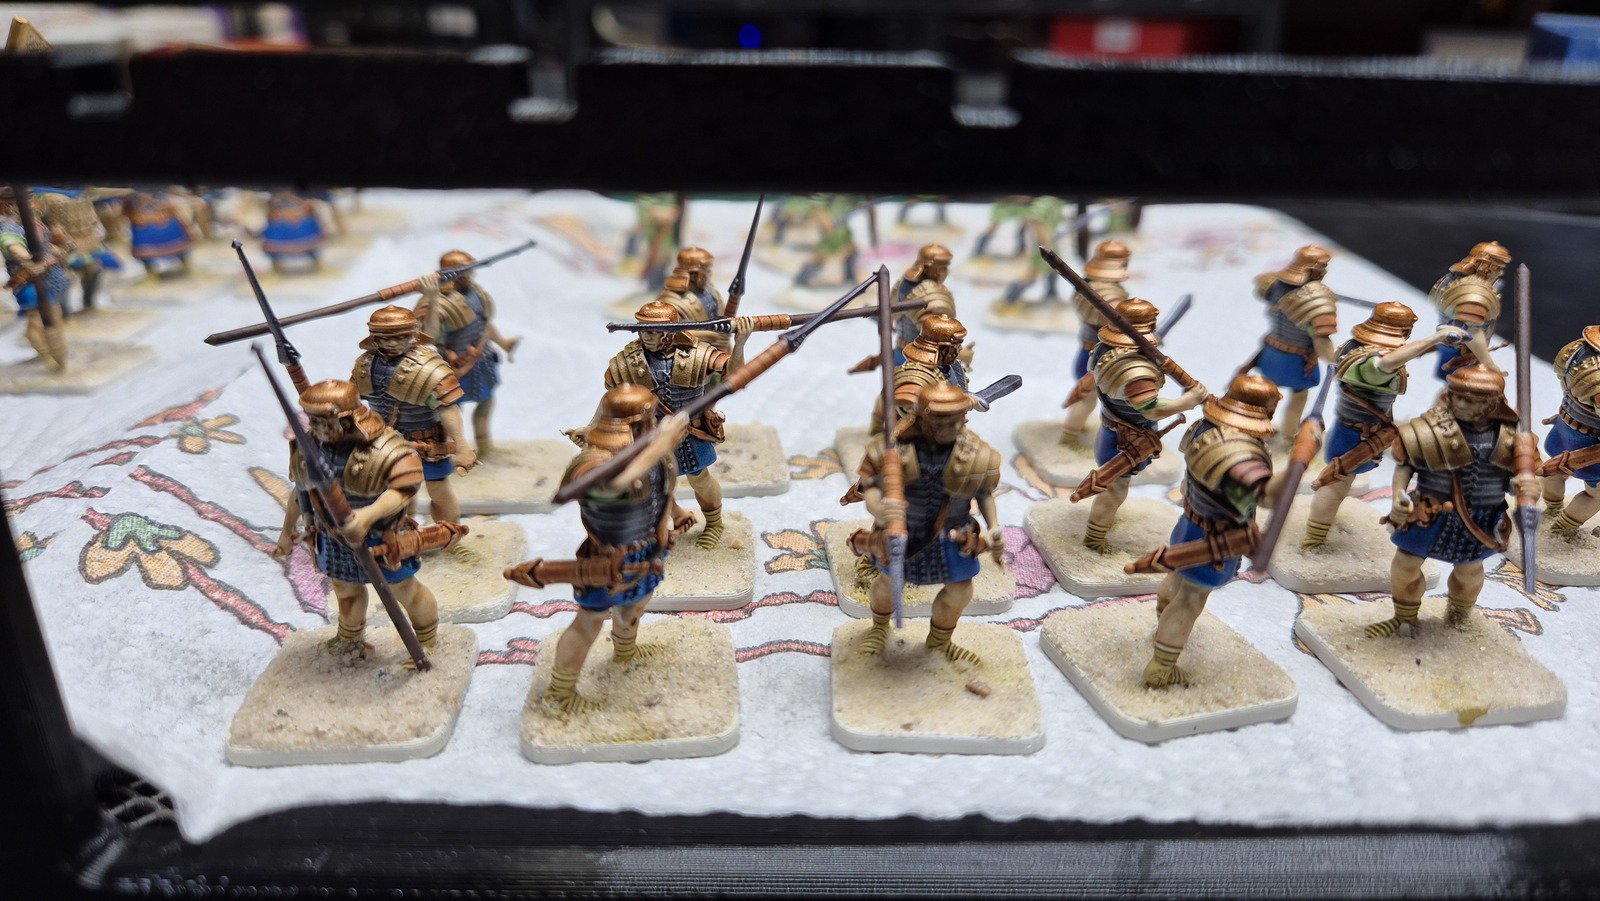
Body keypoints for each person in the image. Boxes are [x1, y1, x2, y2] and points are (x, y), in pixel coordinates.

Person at [508, 384, 695, 712]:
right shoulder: (593, 462)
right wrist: (658, 446)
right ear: (633, 423)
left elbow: (659, 490)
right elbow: (612, 484)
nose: (655, 423)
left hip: (647, 553)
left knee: (634, 607)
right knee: (589, 623)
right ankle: (560, 694)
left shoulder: (657, 456)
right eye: (649, 419)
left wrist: (674, 517)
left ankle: (625, 650)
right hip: (606, 561)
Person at [273, 380, 440, 662]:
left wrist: (367, 515)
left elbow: (404, 488)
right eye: (312, 420)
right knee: (345, 590)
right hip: (332, 537)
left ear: (347, 418)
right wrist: (286, 532)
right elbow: (301, 492)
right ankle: (349, 639)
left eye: (322, 420)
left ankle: (428, 641)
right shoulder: (308, 446)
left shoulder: (385, 446)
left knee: (404, 590)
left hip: (381, 536)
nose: (315, 426)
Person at [848, 381, 1004, 663]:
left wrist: (993, 526)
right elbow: (869, 485)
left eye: (956, 421)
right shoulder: (894, 448)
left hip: (953, 536)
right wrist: (878, 509)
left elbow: (984, 493)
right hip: (903, 532)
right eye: (943, 422)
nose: (952, 428)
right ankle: (879, 628)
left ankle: (939, 641)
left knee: (960, 589)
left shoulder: (975, 452)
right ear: (924, 419)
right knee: (887, 582)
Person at [1143, 374, 1279, 687]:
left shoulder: (1203, 429)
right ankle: (1161, 667)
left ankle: (1164, 627)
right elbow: (1266, 496)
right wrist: (1302, 457)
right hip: (1214, 539)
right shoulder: (1239, 455)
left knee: (1177, 578)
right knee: (1191, 600)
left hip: (1190, 523)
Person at [1302, 303, 1463, 548]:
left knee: (1341, 484)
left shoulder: (1357, 346)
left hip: (1362, 432)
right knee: (1335, 486)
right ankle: (1313, 539)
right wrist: (1435, 338)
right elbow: (1385, 364)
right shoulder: (1373, 362)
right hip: (1355, 437)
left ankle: (1318, 531)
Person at [602, 300, 753, 549]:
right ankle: (667, 523)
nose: (647, 337)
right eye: (643, 330)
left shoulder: (698, 354)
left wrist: (740, 343)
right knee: (653, 485)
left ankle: (714, 524)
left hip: (691, 432)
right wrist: (594, 428)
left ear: (671, 331)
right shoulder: (626, 363)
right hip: (652, 437)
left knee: (700, 479)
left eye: (654, 331)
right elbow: (612, 400)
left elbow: (737, 377)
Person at [1079, 299, 1207, 552]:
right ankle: (1094, 538)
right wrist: (1187, 402)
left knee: (1116, 488)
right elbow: (1151, 408)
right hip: (1125, 441)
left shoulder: (1104, 349)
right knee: (1114, 491)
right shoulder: (1134, 369)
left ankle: (1100, 526)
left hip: (1116, 432)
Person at [351, 306, 475, 525]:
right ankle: (403, 531)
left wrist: (461, 445)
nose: (392, 343)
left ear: (413, 335)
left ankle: (451, 531)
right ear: (375, 338)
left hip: (426, 441)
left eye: (399, 337)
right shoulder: (365, 364)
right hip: (386, 442)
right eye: (385, 338)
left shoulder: (429, 365)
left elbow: (447, 407)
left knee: (438, 489)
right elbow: (352, 401)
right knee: (398, 491)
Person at [414, 253, 520, 455]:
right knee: (451, 412)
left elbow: (484, 324)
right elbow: (429, 335)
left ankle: (485, 448)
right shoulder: (437, 301)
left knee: (486, 402)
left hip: (482, 359)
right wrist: (433, 299)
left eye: (470, 271)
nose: (470, 275)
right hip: (454, 367)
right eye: (465, 272)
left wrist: (503, 343)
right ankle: (452, 454)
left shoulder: (476, 292)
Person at [1251, 245, 1338, 440]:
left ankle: (1255, 429)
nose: (1324, 271)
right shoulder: (1317, 300)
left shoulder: (1273, 284)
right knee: (1298, 397)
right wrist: (1337, 361)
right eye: (1323, 267)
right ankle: (1288, 436)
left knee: (1264, 394)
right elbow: (1321, 341)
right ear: (1314, 270)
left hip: (1270, 352)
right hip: (1296, 361)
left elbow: (1260, 286)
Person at [1060, 240, 1133, 446]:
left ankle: (1074, 431)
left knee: (1088, 397)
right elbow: (1118, 325)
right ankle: (1069, 438)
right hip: (1097, 356)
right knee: (1087, 398)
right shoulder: (1109, 295)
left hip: (1087, 351)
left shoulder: (1088, 285)